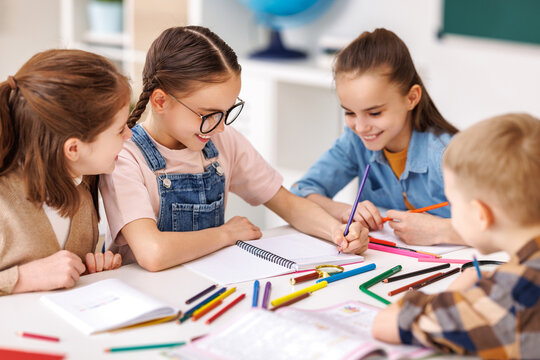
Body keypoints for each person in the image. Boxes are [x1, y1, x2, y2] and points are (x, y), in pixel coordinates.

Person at [100, 26, 368, 272]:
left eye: (227, 113)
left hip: (211, 282)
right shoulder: (124, 157)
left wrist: (338, 231)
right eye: (209, 115)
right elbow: (153, 253)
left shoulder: (220, 140)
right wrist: (226, 234)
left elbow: (289, 204)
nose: (219, 127)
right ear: (160, 101)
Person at [372, 113, 540, 358]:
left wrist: (456, 294)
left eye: (452, 202)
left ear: (481, 214)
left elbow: (386, 324)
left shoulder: (509, 297)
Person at [291, 28, 463, 246]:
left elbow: (510, 224)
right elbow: (300, 193)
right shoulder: (355, 142)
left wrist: (441, 230)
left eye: (374, 113)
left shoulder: (449, 155)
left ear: (411, 98)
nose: (361, 127)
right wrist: (346, 212)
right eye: (350, 112)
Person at [0, 49, 132, 296]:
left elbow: (59, 274)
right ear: (73, 148)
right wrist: (21, 279)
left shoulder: (82, 183)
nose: (129, 135)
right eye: (120, 129)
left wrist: (87, 271)